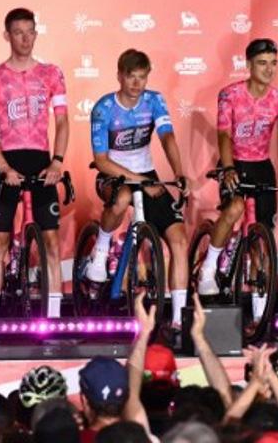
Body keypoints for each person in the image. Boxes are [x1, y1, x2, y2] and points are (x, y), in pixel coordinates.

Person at [87, 49, 190, 345]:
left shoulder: (154, 100)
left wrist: (179, 172)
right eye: (130, 76)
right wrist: (143, 183)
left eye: (141, 77)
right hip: (113, 175)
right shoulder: (104, 108)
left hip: (147, 175)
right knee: (119, 200)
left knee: (180, 238)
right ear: (119, 75)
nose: (136, 83)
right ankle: (102, 251)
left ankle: (178, 318)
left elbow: (167, 137)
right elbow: (102, 159)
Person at [197, 38, 278, 328]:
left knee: (261, 238)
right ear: (248, 65)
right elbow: (224, 136)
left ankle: (258, 312)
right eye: (262, 63)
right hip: (235, 162)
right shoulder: (230, 95)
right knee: (233, 209)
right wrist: (228, 167)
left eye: (273, 64)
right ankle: (208, 268)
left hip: (262, 167)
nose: (269, 69)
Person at [0, 8, 70, 320]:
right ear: (7, 35)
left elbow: (62, 121)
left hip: (42, 160)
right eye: (18, 32)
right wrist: (3, 166)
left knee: (51, 242)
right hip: (8, 162)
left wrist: (57, 162)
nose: (25, 38)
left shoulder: (52, 73)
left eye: (30, 31)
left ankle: (55, 319)